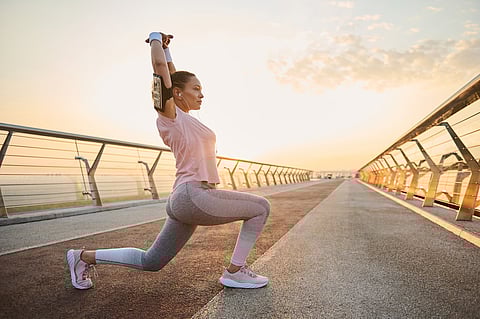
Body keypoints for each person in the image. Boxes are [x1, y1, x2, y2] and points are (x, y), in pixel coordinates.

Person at [66, 31, 271, 290]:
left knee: (151, 260)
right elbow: (161, 69)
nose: (201, 95)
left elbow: (171, 72)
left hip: (184, 199)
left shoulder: (185, 118)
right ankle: (235, 271)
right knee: (261, 207)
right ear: (177, 93)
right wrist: (154, 39)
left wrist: (166, 49)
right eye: (196, 89)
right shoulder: (169, 117)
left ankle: (82, 257)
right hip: (193, 194)